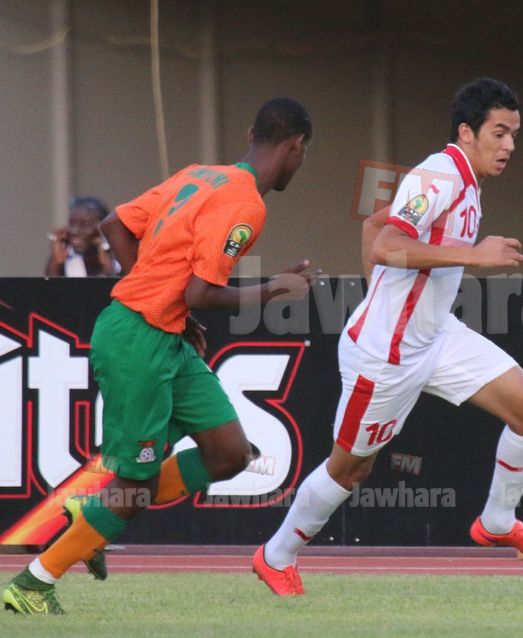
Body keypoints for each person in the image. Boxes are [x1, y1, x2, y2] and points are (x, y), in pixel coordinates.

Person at [3, 97, 315, 614]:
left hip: (165, 334)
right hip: (138, 342)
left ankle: (92, 514)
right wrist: (273, 288)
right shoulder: (245, 205)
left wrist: (157, 294)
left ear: (250, 133)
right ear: (296, 147)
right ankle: (34, 583)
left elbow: (115, 225)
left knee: (230, 453)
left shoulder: (200, 174)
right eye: (304, 154)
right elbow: (200, 293)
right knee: (136, 484)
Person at [253, 78, 523, 596]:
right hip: (385, 355)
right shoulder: (437, 177)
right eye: (500, 133)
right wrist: (474, 257)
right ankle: (275, 555)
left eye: (514, 134)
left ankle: (498, 521)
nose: (509, 145)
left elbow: (374, 226)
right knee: (349, 470)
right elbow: (389, 242)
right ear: (467, 132)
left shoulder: (466, 180)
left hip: (436, 336)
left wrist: (385, 293)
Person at [45, 196, 119, 277]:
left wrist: (105, 257)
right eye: (72, 223)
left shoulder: (119, 257)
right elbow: (50, 284)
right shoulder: (67, 260)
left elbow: (113, 283)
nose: (74, 231)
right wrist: (55, 261)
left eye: (85, 225)